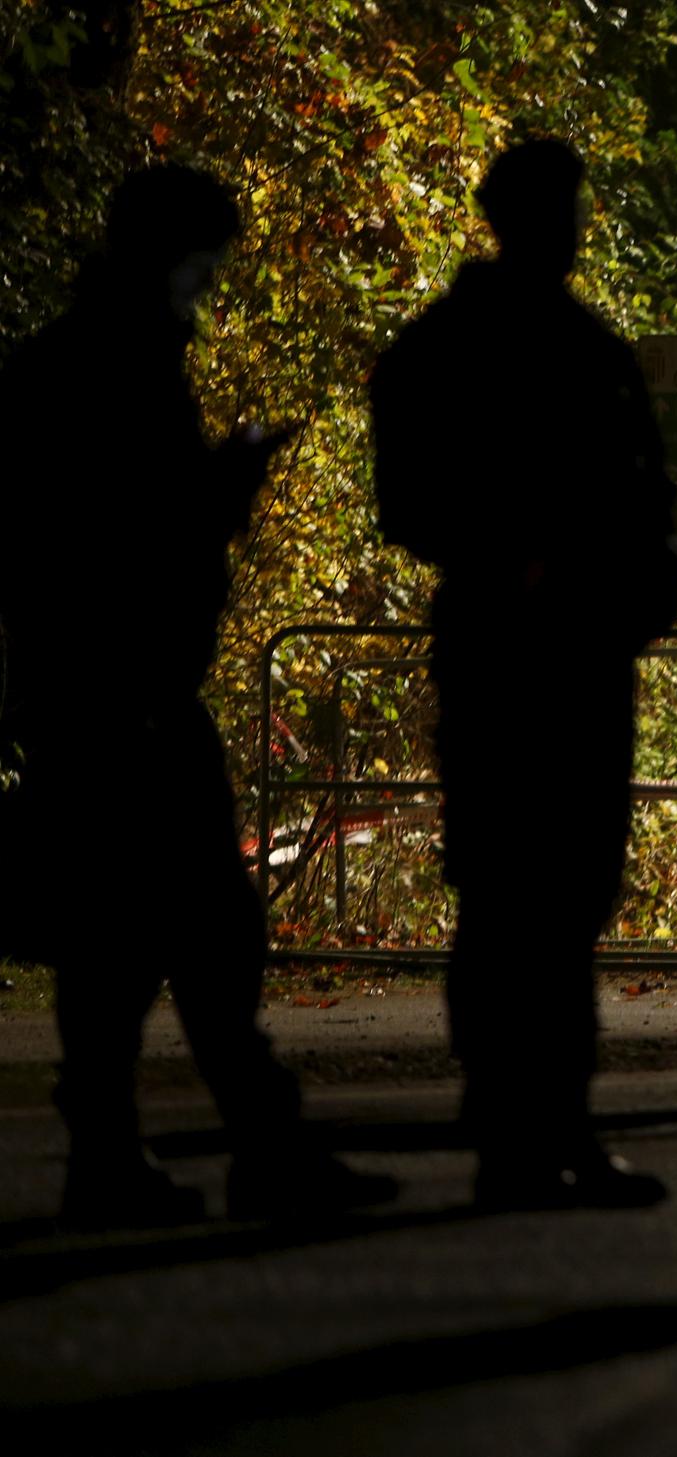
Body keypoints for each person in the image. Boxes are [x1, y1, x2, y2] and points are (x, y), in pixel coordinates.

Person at [0, 166, 396, 1226]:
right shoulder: (118, 370)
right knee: (206, 932)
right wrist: (227, 484)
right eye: (204, 262)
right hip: (131, 692)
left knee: (115, 938)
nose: (209, 285)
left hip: (84, 689)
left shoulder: (57, 364)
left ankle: (120, 1152)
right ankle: (256, 1147)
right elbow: (138, 533)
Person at [370, 140, 677, 1209]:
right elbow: (411, 499)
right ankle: (529, 1121)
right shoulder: (506, 348)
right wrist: (525, 560)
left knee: (557, 887)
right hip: (525, 642)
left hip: (565, 644)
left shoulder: (519, 346)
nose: (575, 220)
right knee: (520, 889)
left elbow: (645, 495)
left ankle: (542, 1117)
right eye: (564, 204)